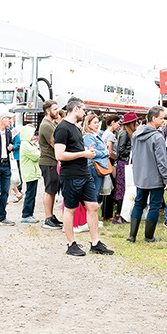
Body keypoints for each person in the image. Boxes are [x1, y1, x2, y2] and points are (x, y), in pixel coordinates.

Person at [54, 97, 114, 256]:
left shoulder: (75, 127)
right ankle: (71, 244)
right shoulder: (62, 128)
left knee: (93, 206)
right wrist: (84, 154)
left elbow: (74, 149)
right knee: (70, 209)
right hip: (71, 175)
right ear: (75, 109)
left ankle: (95, 243)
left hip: (84, 172)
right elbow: (59, 155)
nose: (84, 112)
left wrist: (87, 151)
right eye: (83, 109)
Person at [126, 105, 167, 243]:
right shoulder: (157, 137)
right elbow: (161, 160)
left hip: (141, 175)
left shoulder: (136, 134)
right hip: (155, 176)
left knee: (139, 203)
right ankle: (149, 237)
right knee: (154, 205)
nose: (163, 121)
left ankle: (132, 236)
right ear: (153, 118)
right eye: (161, 118)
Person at [38, 99, 62, 229]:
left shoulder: (51, 124)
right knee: (49, 190)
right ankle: (48, 218)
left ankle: (51, 216)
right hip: (48, 162)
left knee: (52, 190)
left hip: (53, 162)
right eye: (54, 109)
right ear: (48, 111)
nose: (57, 111)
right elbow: (55, 144)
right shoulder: (46, 125)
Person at [113, 112, 139, 224]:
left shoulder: (129, 133)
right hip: (124, 164)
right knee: (122, 189)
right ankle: (119, 214)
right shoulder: (124, 133)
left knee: (127, 188)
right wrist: (132, 153)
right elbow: (121, 150)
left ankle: (123, 213)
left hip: (127, 163)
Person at [18, 118, 41, 224]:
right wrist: (38, 152)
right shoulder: (25, 145)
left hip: (33, 172)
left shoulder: (29, 144)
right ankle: (26, 215)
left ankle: (30, 214)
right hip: (29, 173)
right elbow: (36, 156)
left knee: (32, 194)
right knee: (30, 194)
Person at [82, 113, 110, 197]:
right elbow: (92, 153)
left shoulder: (95, 135)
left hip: (97, 166)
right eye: (95, 123)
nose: (97, 125)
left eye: (98, 122)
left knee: (95, 192)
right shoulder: (89, 136)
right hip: (94, 166)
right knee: (94, 193)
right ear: (88, 124)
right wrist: (106, 152)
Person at [100, 114, 121, 222]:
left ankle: (106, 213)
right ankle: (107, 214)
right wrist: (117, 156)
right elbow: (109, 151)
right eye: (118, 123)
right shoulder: (110, 135)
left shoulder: (105, 134)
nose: (118, 125)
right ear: (113, 123)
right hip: (111, 163)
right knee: (110, 189)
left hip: (107, 162)